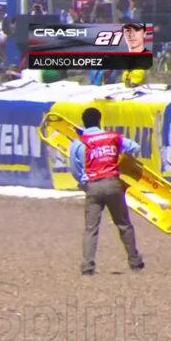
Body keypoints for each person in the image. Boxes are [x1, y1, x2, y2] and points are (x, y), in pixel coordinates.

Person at [69, 107, 144, 276]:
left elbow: (74, 168)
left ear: (84, 123)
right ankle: (134, 261)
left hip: (93, 186)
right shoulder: (113, 137)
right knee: (123, 224)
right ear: (99, 120)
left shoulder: (79, 142)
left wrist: (84, 181)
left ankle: (87, 266)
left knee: (91, 228)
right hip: (112, 183)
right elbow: (135, 147)